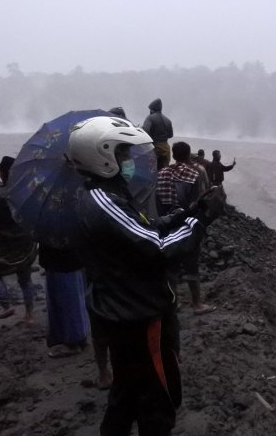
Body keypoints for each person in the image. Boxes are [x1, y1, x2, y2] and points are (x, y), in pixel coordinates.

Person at [68, 116, 225, 435]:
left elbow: (144, 230)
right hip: (136, 315)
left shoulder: (104, 194)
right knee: (156, 402)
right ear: (104, 157)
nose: (128, 161)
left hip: (122, 309)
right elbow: (158, 248)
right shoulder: (104, 201)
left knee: (125, 394)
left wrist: (186, 213)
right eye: (123, 155)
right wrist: (201, 221)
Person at [156, 142, 216, 315]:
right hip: (188, 224)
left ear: (173, 155)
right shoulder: (196, 173)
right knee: (191, 264)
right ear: (189, 154)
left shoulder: (161, 173)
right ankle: (197, 304)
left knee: (171, 265)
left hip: (168, 224)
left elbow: (157, 199)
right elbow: (201, 199)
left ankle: (173, 304)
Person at [0, 156, 37, 322]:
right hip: (24, 240)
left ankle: (7, 306)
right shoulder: (26, 190)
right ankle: (29, 313)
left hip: (4, 242)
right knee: (25, 277)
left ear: (2, 173)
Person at [39, 244, 90, 358]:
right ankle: (78, 337)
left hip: (62, 258)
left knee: (66, 300)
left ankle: (73, 342)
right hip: (68, 257)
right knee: (73, 297)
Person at [142, 98, 173, 170]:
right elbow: (170, 135)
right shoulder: (168, 120)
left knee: (151, 170)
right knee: (164, 171)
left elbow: (145, 132)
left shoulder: (150, 118)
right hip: (165, 148)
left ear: (152, 109)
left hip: (153, 148)